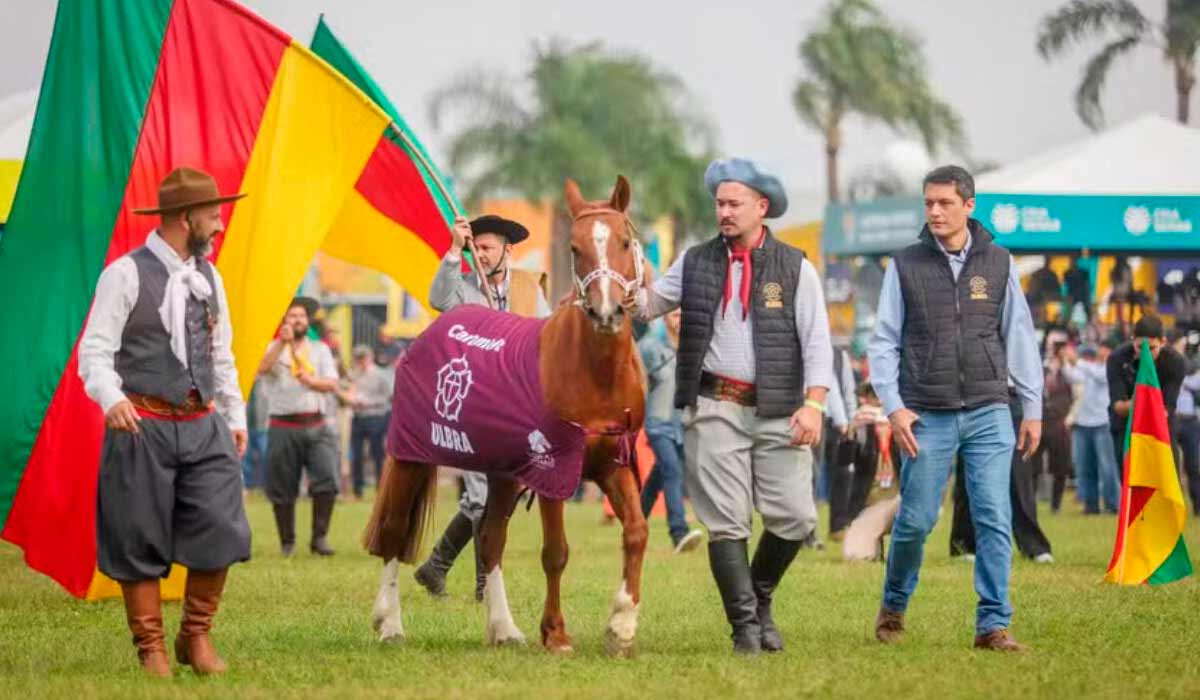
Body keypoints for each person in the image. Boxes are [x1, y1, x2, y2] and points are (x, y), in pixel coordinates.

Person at [636, 157, 834, 655]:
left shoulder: (796, 267)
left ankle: (760, 599)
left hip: (781, 409)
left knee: (795, 517)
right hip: (714, 405)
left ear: (760, 207)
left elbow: (817, 343)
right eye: (719, 203)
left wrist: (814, 405)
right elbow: (646, 304)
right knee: (727, 522)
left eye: (734, 203)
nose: (723, 212)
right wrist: (618, 277)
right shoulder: (695, 260)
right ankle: (746, 629)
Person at [78, 167, 251, 676]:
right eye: (213, 215)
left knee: (221, 527)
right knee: (137, 535)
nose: (219, 225)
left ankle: (194, 637)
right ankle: (150, 647)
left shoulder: (210, 276)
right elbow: (95, 351)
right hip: (142, 426)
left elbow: (222, 355)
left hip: (203, 423)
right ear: (184, 218)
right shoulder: (125, 274)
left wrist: (235, 415)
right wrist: (111, 398)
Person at [868, 165, 1042, 653]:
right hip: (925, 413)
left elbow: (1020, 336)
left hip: (990, 408)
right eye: (929, 203)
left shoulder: (999, 262)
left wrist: (1032, 408)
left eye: (945, 202)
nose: (935, 211)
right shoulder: (904, 265)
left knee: (993, 515)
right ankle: (894, 605)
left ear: (969, 205)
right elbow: (883, 342)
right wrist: (894, 407)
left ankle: (993, 625)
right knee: (918, 521)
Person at [414, 213, 551, 600]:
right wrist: (455, 250)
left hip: (515, 405)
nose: (483, 256)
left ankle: (435, 567)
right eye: (478, 249)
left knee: (498, 494)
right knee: (479, 495)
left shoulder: (528, 289)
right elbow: (437, 299)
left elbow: (545, 333)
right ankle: (483, 586)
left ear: (508, 250)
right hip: (472, 401)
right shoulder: (462, 287)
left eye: (488, 248)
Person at [258, 297, 342, 557]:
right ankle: (287, 543)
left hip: (317, 423)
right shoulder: (273, 347)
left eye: (301, 317)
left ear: (308, 321)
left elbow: (331, 384)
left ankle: (319, 540)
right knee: (282, 487)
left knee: (326, 480)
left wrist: (309, 380)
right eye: (292, 316)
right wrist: (283, 343)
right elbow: (262, 368)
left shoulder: (320, 350)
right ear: (284, 321)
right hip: (283, 424)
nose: (297, 320)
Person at [637, 309, 704, 553]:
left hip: (682, 423)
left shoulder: (693, 348)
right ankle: (679, 533)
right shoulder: (649, 347)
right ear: (665, 318)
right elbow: (635, 380)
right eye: (675, 315)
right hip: (657, 423)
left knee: (660, 475)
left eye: (684, 314)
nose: (680, 319)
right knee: (673, 471)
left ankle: (635, 520)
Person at [1107, 315, 1188, 470]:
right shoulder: (1117, 359)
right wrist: (1143, 399)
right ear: (1132, 340)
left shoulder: (1174, 362)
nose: (1146, 354)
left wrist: (1147, 403)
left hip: (1161, 428)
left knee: (1167, 480)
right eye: (1140, 348)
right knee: (1130, 482)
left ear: (1163, 342)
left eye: (1151, 348)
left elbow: (1168, 407)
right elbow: (1118, 406)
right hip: (1127, 427)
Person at [1062, 342, 1120, 513]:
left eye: (1104, 348)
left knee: (1107, 466)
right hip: (1083, 423)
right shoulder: (1089, 368)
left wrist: (1076, 360)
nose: (1101, 352)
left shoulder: (1110, 369)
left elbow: (1098, 375)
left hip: (1102, 423)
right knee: (1084, 466)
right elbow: (1071, 376)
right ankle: (1090, 504)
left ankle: (1112, 504)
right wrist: (1065, 359)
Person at [347, 345, 394, 500]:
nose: (361, 362)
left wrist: (369, 402)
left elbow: (388, 396)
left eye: (363, 358)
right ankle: (357, 490)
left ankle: (380, 489)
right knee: (357, 455)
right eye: (358, 359)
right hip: (359, 418)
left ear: (370, 357)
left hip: (376, 417)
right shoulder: (354, 375)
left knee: (378, 454)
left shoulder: (381, 375)